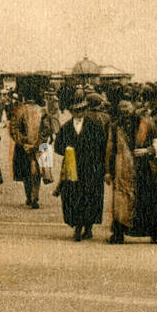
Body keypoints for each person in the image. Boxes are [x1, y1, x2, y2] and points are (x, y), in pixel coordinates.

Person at [105, 101, 157, 244]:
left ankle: (154, 233)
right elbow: (110, 150)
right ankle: (119, 234)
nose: (125, 110)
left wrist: (148, 151)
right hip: (123, 169)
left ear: (133, 107)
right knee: (122, 203)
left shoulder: (146, 123)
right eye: (122, 107)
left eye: (127, 106)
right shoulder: (114, 126)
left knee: (150, 201)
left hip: (146, 167)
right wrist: (108, 171)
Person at [53, 98, 109, 241]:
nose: (78, 114)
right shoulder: (66, 127)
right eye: (75, 111)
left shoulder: (94, 126)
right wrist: (66, 150)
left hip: (91, 167)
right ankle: (77, 227)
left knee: (90, 197)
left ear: (85, 111)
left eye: (81, 111)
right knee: (73, 196)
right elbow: (57, 146)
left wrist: (101, 167)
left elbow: (102, 147)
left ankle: (88, 227)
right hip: (72, 166)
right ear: (72, 112)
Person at [8, 91, 51, 208]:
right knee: (38, 171)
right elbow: (47, 129)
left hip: (23, 148)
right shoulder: (43, 111)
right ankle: (35, 195)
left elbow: (13, 129)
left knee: (26, 173)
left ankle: (29, 196)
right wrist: (39, 142)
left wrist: (23, 142)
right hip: (40, 147)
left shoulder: (18, 110)